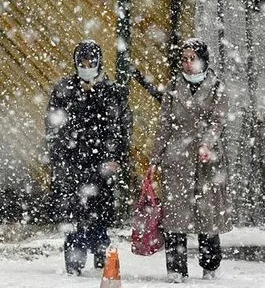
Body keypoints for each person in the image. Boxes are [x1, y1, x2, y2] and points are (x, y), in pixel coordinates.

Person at [148, 38, 232, 283]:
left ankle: (210, 264)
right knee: (176, 215)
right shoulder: (174, 88)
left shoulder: (217, 87)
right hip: (178, 157)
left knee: (208, 214)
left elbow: (218, 120)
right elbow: (164, 125)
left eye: (192, 58)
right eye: (183, 59)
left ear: (203, 60)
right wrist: (155, 159)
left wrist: (207, 143)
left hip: (208, 159)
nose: (187, 63)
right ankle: (176, 268)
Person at [45, 40, 131, 276]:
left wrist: (115, 158)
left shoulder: (111, 91)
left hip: (102, 164)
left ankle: (101, 260)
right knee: (74, 214)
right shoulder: (64, 90)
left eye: (91, 62)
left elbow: (121, 127)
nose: (86, 67)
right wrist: (59, 157)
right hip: (72, 162)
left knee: (99, 213)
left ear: (99, 63)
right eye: (82, 63)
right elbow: (53, 127)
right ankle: (74, 263)